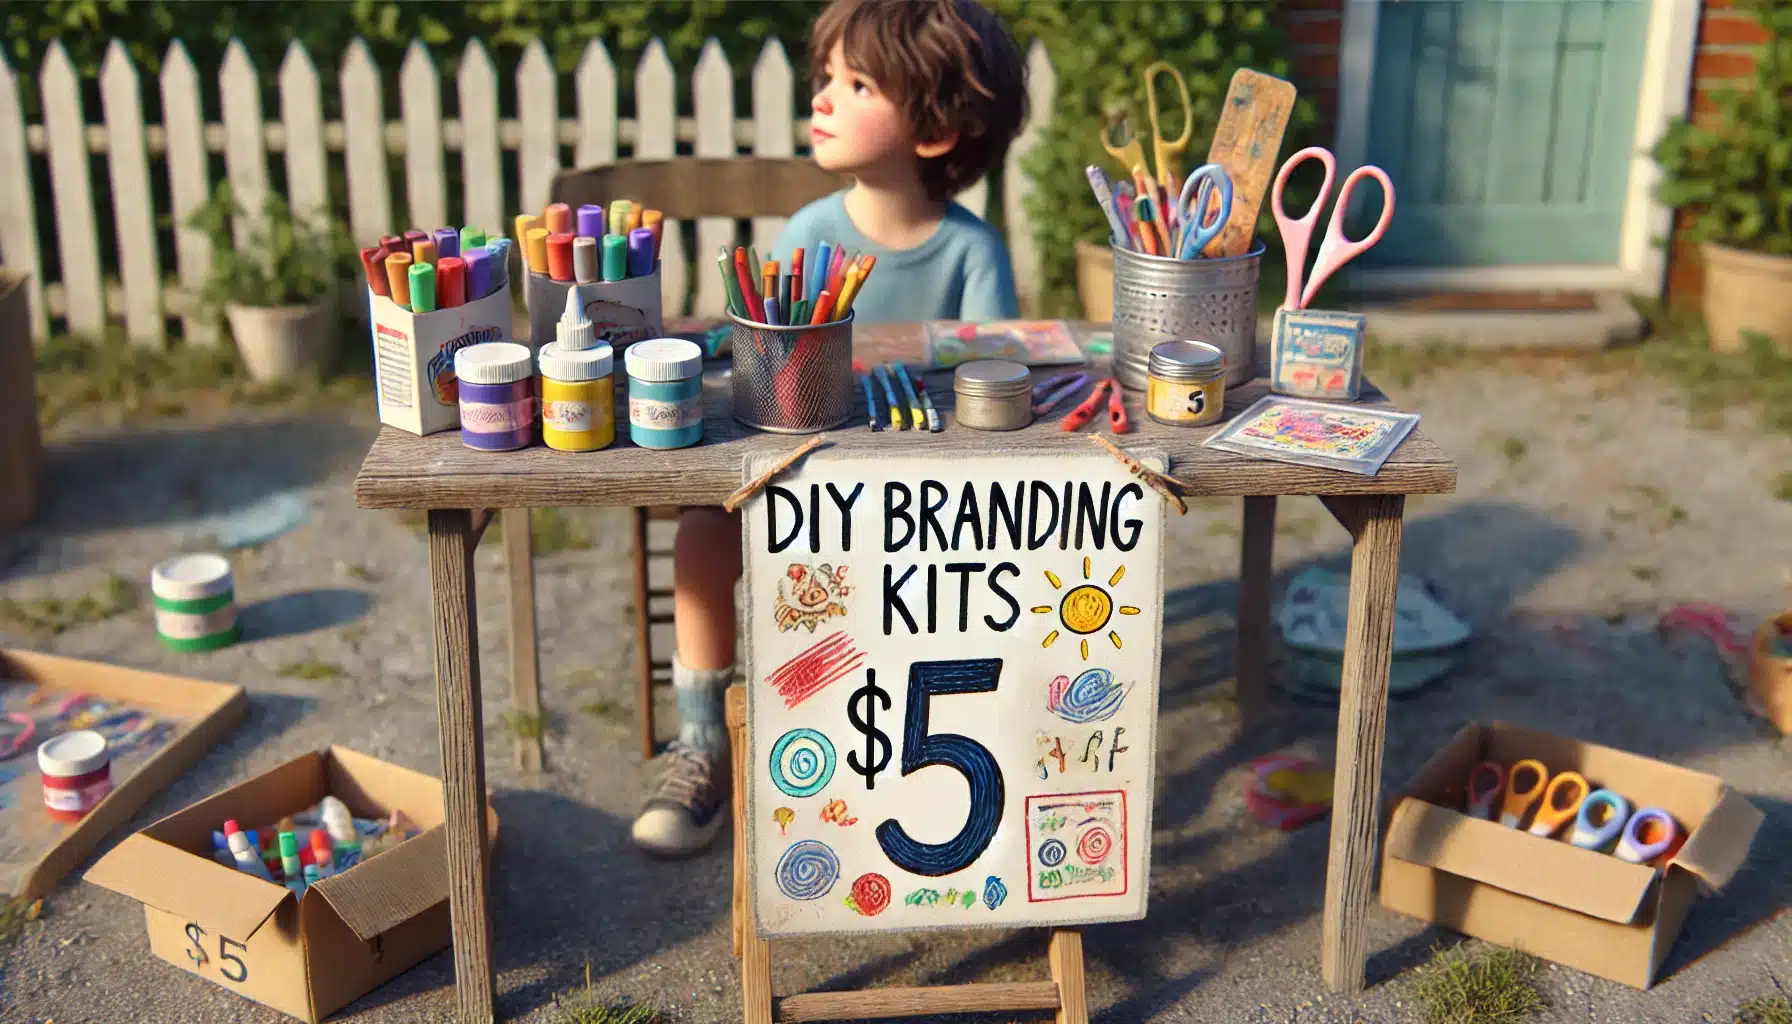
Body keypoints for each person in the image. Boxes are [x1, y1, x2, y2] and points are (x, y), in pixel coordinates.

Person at [631, 0, 1030, 858]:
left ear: (934, 132)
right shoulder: (812, 232)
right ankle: (703, 742)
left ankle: (894, 748)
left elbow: (1003, 389)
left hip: (920, 506)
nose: (822, 97)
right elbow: (773, 362)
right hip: (800, 480)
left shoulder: (972, 251)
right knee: (702, 534)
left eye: (856, 83)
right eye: (826, 78)